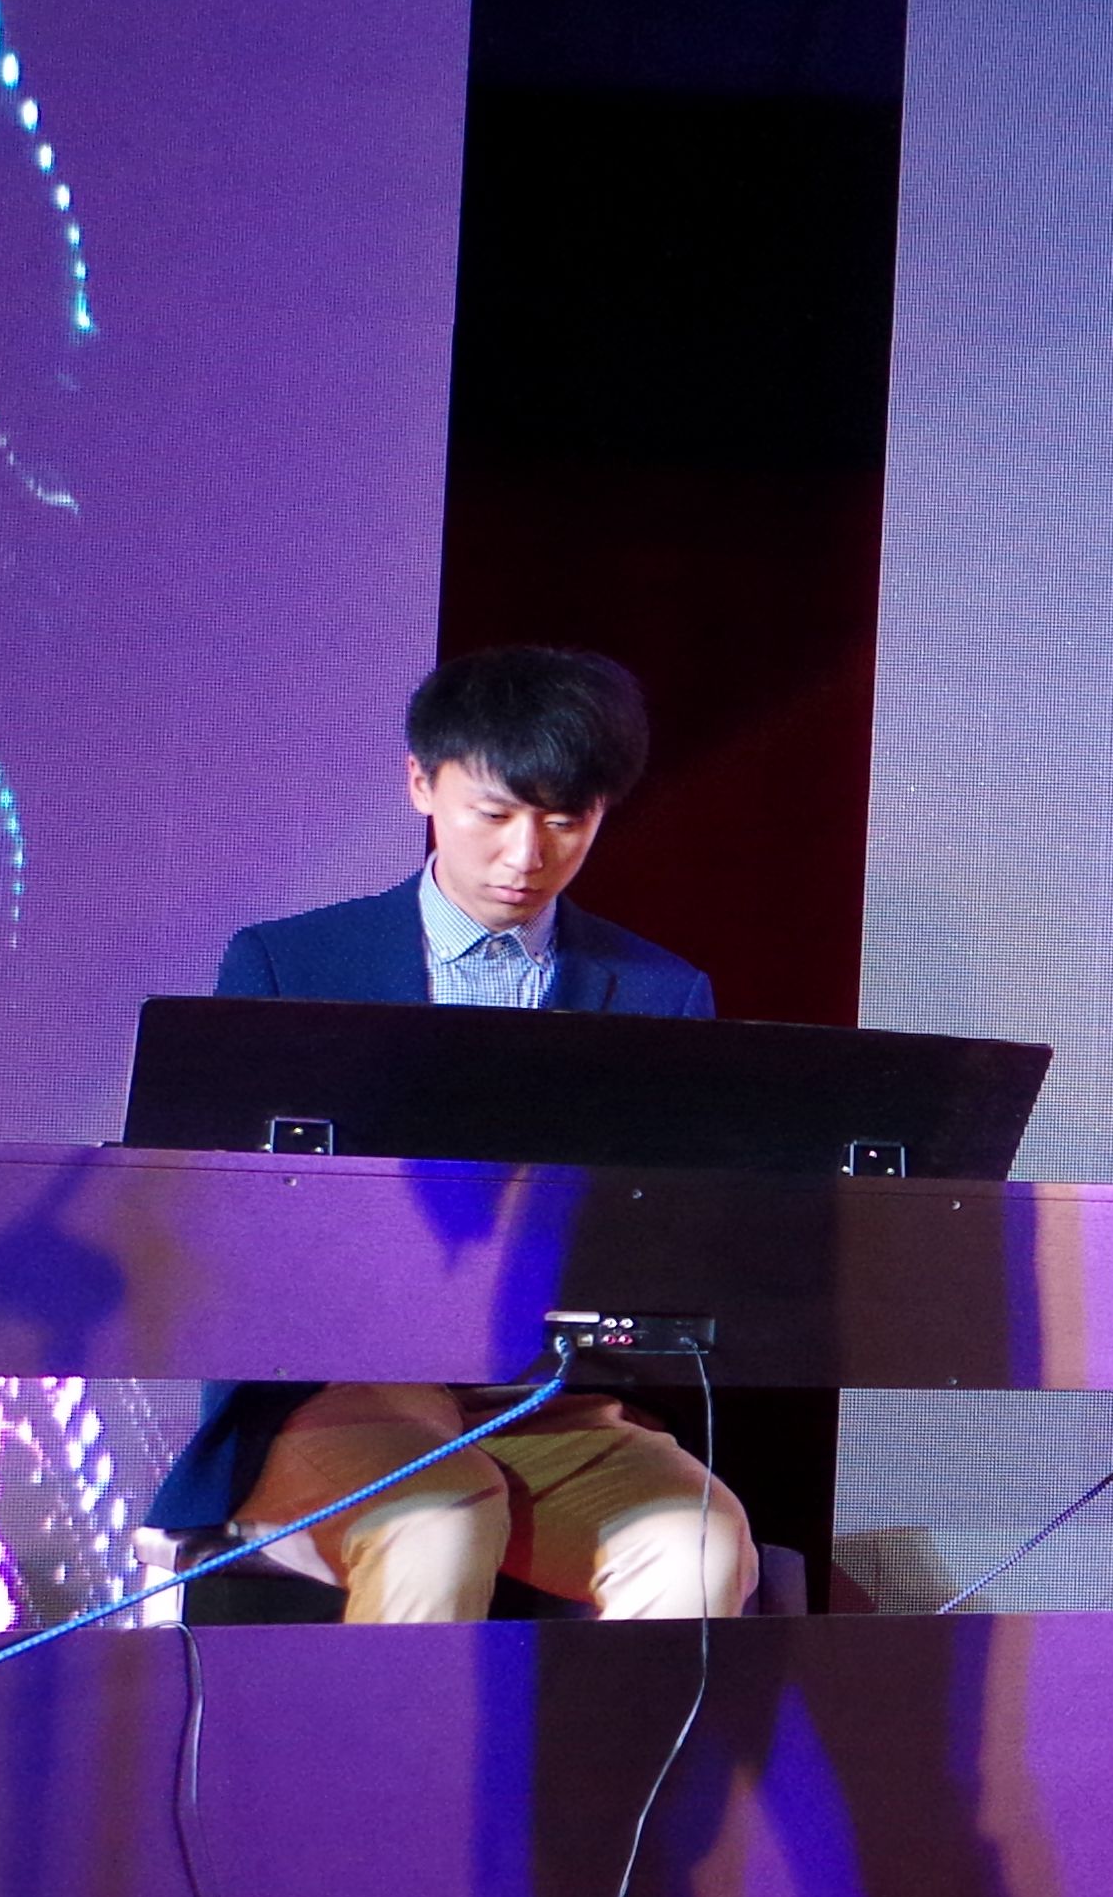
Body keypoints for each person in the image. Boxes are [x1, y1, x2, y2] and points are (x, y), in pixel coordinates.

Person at [139, 647, 753, 1623]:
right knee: (438, 1518)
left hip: (549, 1401)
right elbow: (214, 1225)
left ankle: (628, 1740)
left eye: (566, 820)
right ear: (421, 783)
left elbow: (679, 1235)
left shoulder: (659, 993)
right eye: (494, 814)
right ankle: (393, 1736)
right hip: (335, 1398)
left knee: (698, 1544)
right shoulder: (291, 964)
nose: (526, 855)